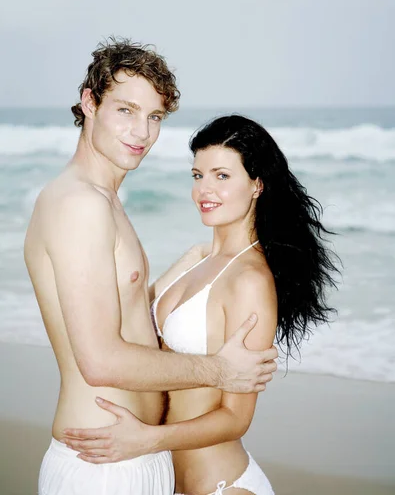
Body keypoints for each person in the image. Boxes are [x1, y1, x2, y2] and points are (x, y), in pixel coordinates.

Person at [24, 40, 278, 495]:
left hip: (133, 457)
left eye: (154, 117)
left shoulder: (104, 201)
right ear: (89, 103)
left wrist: (196, 259)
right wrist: (220, 371)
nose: (140, 131)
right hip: (104, 464)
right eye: (125, 110)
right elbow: (100, 360)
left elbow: (123, 312)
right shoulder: (81, 204)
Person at [62, 114, 339, 495]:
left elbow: (235, 418)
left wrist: (147, 439)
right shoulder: (200, 259)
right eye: (197, 175)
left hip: (222, 485)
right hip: (170, 483)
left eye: (222, 176)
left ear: (257, 184)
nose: (204, 190)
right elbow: (138, 323)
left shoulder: (250, 281)